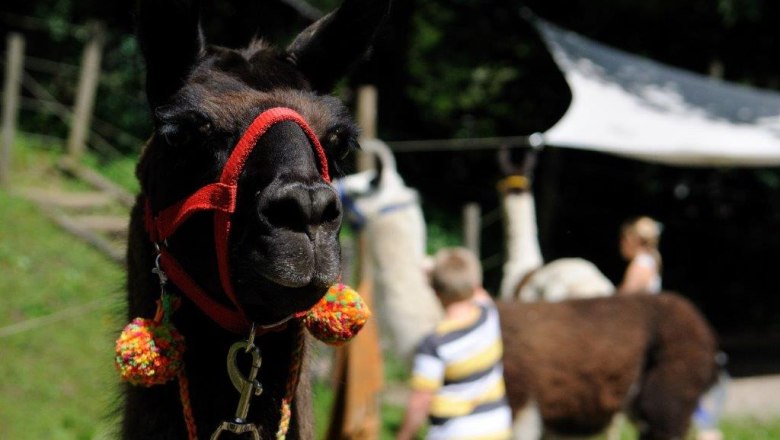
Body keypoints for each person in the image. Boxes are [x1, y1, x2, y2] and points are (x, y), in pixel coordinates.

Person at [397, 247, 512, 440]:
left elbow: (421, 400)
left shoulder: (434, 343)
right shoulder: (488, 314)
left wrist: (405, 435)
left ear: (434, 290)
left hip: (454, 432)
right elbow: (476, 290)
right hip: (497, 427)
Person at [617, 216, 662, 294]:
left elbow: (624, 297)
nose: (621, 245)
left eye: (623, 240)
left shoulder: (640, 264)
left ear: (631, 240)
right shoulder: (649, 261)